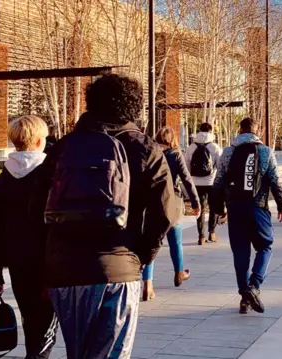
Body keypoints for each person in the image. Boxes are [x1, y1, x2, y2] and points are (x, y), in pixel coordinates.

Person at [44, 74, 177, 359]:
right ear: (134, 107)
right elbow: (166, 212)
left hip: (65, 270)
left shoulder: (64, 148)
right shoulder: (145, 148)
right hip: (118, 266)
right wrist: (143, 255)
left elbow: (36, 211)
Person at [0, 115, 58, 359]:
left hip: (18, 261)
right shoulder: (51, 175)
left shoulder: (3, 180)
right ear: (38, 141)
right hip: (50, 261)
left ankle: (33, 354)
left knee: (30, 317)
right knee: (47, 323)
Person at [213, 117, 282, 314]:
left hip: (235, 208)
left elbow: (218, 181)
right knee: (265, 246)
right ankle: (254, 286)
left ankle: (244, 296)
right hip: (258, 207)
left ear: (240, 130)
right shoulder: (265, 152)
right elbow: (275, 180)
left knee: (240, 252)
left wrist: (218, 208)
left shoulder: (229, 152)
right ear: (258, 132)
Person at [142, 127, 201, 301]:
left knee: (150, 244)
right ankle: (179, 273)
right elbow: (187, 180)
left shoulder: (149, 154)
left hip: (153, 204)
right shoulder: (175, 155)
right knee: (175, 241)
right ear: (172, 140)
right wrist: (196, 203)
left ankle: (148, 285)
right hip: (173, 203)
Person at [185, 122, 223, 245]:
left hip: (196, 182)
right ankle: (212, 232)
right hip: (211, 181)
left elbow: (186, 164)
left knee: (199, 208)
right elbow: (220, 165)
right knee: (213, 207)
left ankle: (201, 236)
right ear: (211, 131)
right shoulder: (215, 147)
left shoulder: (191, 147)